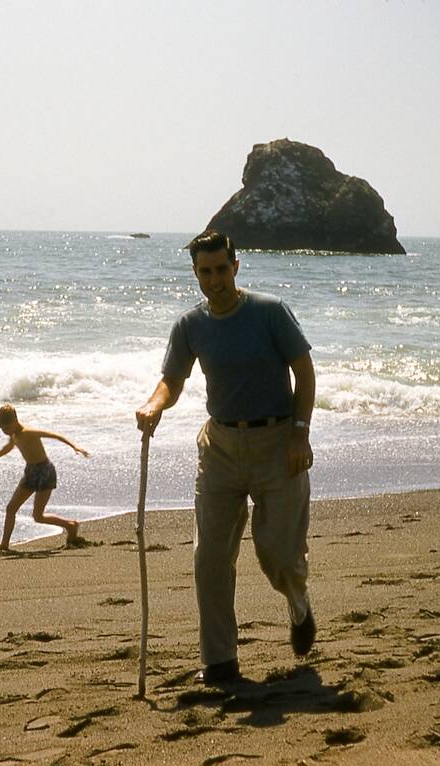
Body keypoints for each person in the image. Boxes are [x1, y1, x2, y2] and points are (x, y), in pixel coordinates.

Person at [135, 229, 317, 685]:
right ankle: (219, 663)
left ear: (236, 266)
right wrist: (154, 405)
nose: (214, 280)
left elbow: (304, 371)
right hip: (218, 447)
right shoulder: (190, 325)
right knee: (209, 559)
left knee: (279, 554)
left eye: (221, 269)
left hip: (278, 443)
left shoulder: (270, 312)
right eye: (205, 272)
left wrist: (300, 433)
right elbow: (171, 383)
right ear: (195, 273)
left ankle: (298, 606)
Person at [0, 403, 90, 550]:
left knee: (38, 516)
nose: (4, 431)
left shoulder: (28, 432)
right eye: (1, 428)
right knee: (11, 508)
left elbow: (55, 436)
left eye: (6, 427)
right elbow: (8, 448)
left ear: (15, 421)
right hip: (30, 472)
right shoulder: (14, 434)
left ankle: (70, 525)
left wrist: (74, 446)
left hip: (45, 472)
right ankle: (4, 544)